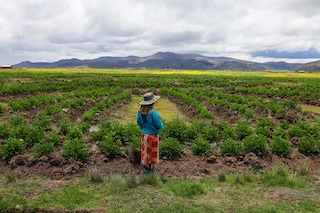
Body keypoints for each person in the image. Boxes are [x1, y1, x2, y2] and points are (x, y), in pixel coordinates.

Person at [136, 92, 163, 174]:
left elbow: (139, 122)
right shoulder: (153, 113)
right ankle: (151, 171)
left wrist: (144, 127)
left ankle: (145, 170)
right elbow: (159, 125)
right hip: (153, 135)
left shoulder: (140, 112)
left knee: (145, 153)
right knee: (152, 154)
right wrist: (160, 126)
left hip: (144, 135)